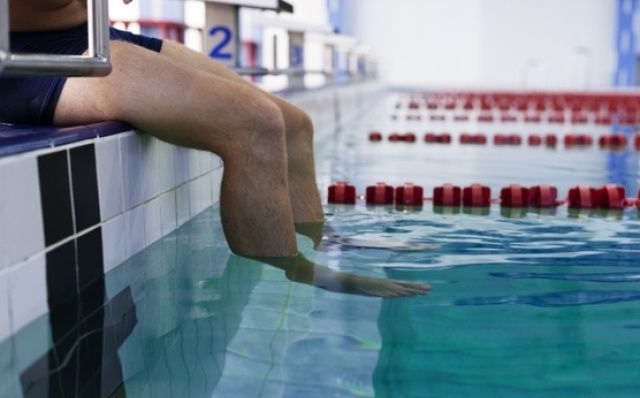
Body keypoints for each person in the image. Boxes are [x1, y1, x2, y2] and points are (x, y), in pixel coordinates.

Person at [2, 0, 432, 297]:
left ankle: (321, 238)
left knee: (294, 123)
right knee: (253, 125)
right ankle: (295, 271)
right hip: (23, 54)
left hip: (88, 33)